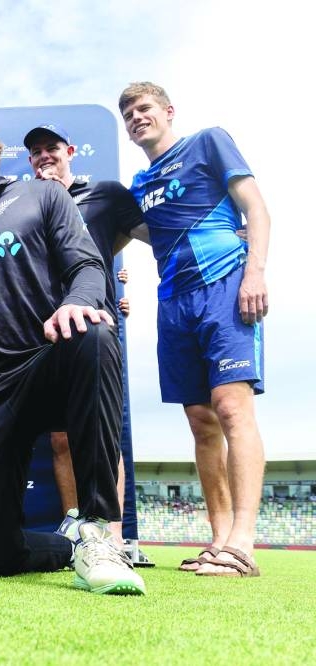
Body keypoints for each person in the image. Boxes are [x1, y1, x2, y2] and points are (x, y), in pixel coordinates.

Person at [0, 101, 145, 594]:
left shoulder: (39, 194)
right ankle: (68, 547)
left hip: (47, 361)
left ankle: (101, 532)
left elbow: (87, 267)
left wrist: (79, 302)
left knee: (96, 332)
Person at [119, 82, 269, 577]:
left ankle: (242, 544)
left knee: (231, 407)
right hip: (173, 302)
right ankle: (219, 538)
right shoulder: (141, 185)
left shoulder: (207, 141)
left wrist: (255, 271)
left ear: (167, 111)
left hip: (224, 284)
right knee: (201, 422)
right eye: (128, 113)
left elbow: (256, 208)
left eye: (143, 108)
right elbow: (147, 232)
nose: (136, 117)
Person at [23, 122, 144, 547]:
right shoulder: (29, 201)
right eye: (35, 151)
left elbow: (144, 234)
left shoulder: (106, 193)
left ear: (70, 150)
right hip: (46, 327)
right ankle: (76, 525)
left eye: (51, 147)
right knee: (59, 435)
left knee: (100, 426)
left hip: (94, 327)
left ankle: (111, 532)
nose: (44, 156)